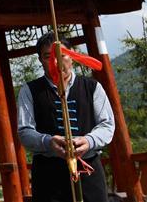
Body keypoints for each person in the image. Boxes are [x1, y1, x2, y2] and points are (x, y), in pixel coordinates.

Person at [17, 32, 115, 202]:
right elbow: (24, 131)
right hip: (48, 174)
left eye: (61, 55)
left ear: (72, 56)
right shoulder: (30, 90)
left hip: (88, 168)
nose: (55, 62)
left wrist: (89, 141)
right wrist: (48, 141)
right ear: (40, 60)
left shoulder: (92, 87)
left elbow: (107, 125)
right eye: (47, 56)